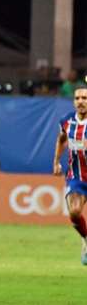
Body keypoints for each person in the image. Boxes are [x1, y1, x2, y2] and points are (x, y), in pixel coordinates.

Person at [53, 86, 87, 265]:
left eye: (85, 98)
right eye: (78, 98)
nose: (81, 101)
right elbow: (61, 139)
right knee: (74, 213)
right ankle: (86, 240)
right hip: (78, 176)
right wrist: (56, 161)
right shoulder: (66, 121)